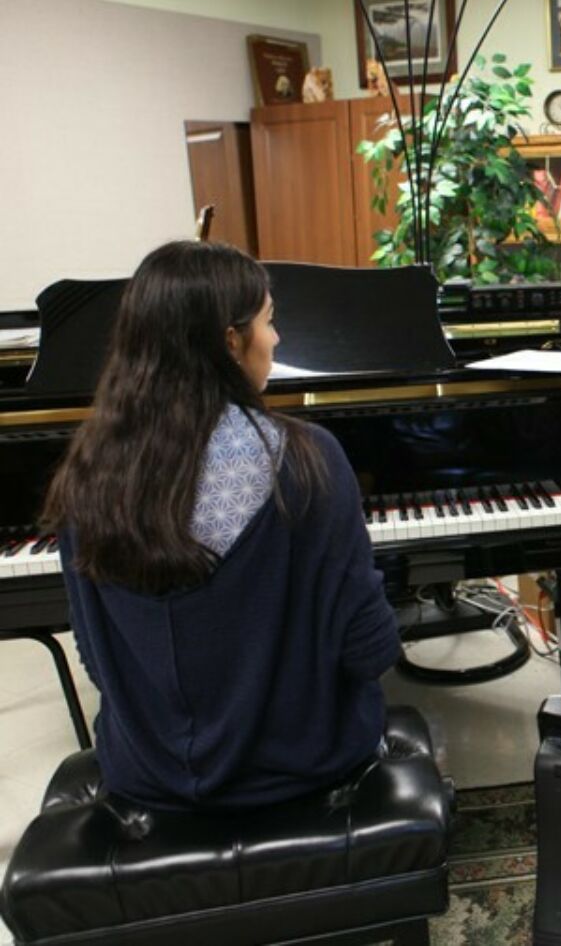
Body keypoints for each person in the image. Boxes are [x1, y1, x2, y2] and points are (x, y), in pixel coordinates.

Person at [42, 240, 402, 808]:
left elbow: (95, 658)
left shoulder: (85, 474)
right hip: (305, 767)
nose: (277, 339)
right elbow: (369, 650)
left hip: (146, 776)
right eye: (270, 321)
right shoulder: (309, 458)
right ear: (231, 342)